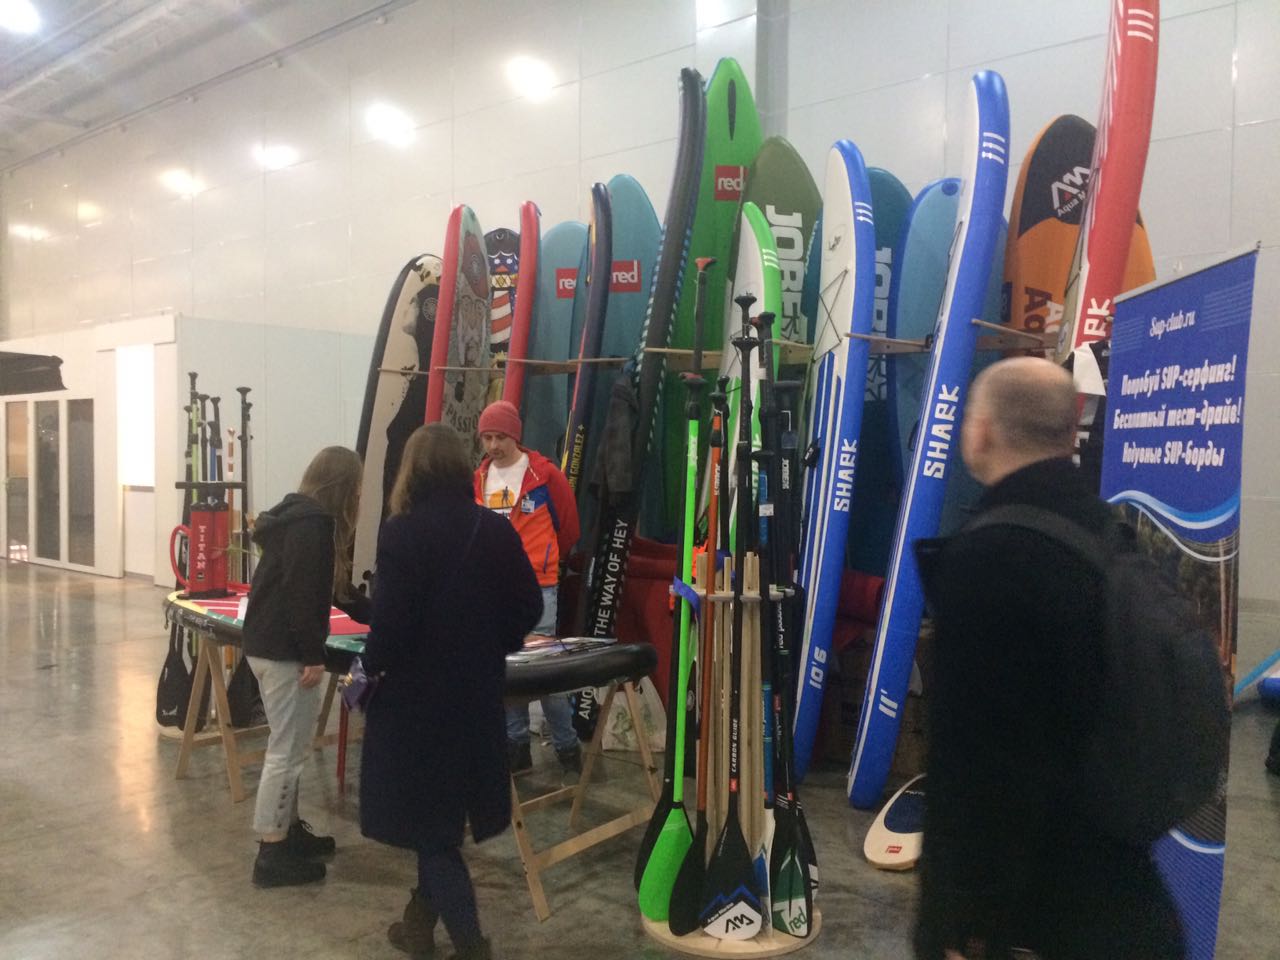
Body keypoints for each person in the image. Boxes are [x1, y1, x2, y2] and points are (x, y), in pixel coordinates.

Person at [913, 357, 1185, 960]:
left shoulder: (991, 557)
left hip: (1037, 918)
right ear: (1069, 433)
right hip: (1124, 898)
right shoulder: (1109, 533)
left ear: (982, 431)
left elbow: (980, 768)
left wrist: (963, 924)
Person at [361, 423, 542, 960]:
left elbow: (389, 630)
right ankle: (418, 927)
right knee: (438, 820)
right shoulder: (494, 529)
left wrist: (365, 672)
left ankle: (471, 946)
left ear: (411, 470)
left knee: (433, 832)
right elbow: (529, 606)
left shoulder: (402, 533)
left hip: (416, 706)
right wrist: (490, 643)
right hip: (476, 697)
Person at [242, 445, 368, 888]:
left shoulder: (295, 518)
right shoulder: (314, 526)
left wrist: (379, 613)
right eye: (357, 487)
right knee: (287, 751)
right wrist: (313, 654)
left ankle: (288, 831)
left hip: (268, 645)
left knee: (289, 748)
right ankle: (271, 853)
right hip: (285, 653)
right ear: (344, 486)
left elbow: (331, 592)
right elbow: (300, 595)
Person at [473, 400, 583, 780]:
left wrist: (544, 560)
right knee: (507, 668)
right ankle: (516, 745)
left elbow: (569, 528)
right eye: (487, 437)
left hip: (538, 586)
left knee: (545, 671)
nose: (493, 445)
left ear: (515, 436)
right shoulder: (478, 478)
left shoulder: (546, 476)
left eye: (500, 437)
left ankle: (568, 746)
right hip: (493, 588)